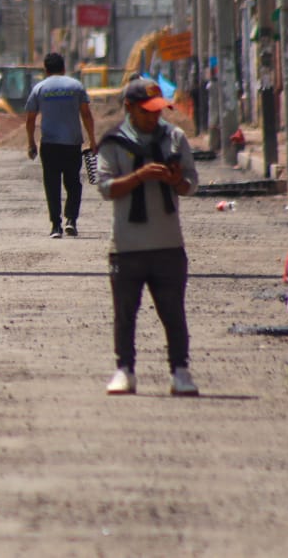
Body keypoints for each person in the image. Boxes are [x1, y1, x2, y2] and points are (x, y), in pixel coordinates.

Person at [96, 78, 200, 396]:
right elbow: (105, 187)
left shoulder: (175, 138)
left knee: (174, 313)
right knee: (125, 315)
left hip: (168, 244)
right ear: (129, 108)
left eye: (158, 111)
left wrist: (174, 179)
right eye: (147, 112)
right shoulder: (113, 142)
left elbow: (191, 185)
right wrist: (139, 176)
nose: (154, 117)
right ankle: (124, 370)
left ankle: (180, 371)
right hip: (127, 246)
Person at [25, 52, 96, 238]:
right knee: (73, 183)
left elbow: (30, 119)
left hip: (49, 145)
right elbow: (86, 115)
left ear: (45, 70)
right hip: (72, 143)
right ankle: (71, 220)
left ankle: (55, 226)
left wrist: (31, 143)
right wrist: (93, 140)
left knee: (52, 184)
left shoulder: (39, 88)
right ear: (64, 68)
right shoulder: (76, 86)